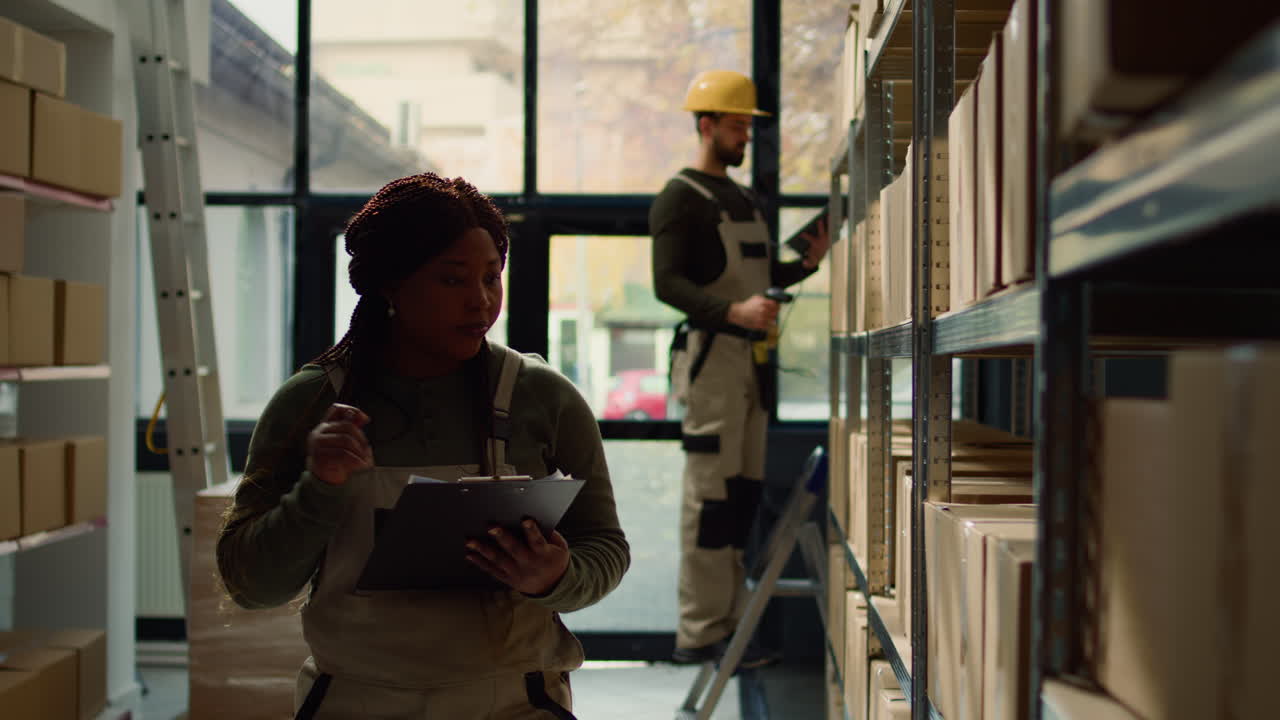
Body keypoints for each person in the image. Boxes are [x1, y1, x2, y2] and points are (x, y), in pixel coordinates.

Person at [217, 173, 630, 719]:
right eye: (452, 281)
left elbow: (605, 547)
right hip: (356, 700)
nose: (480, 302)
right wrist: (320, 490)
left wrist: (555, 578)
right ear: (392, 284)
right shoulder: (311, 403)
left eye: (491, 278)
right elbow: (252, 586)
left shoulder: (542, 397)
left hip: (511, 700)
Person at [650, 70, 829, 667]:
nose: (745, 137)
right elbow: (667, 283)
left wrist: (806, 259)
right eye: (736, 126)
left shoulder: (744, 198)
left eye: (748, 127)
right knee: (710, 501)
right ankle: (698, 632)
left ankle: (727, 626)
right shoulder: (682, 196)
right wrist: (732, 310)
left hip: (750, 364)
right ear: (705, 125)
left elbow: (763, 279)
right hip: (712, 363)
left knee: (741, 499)